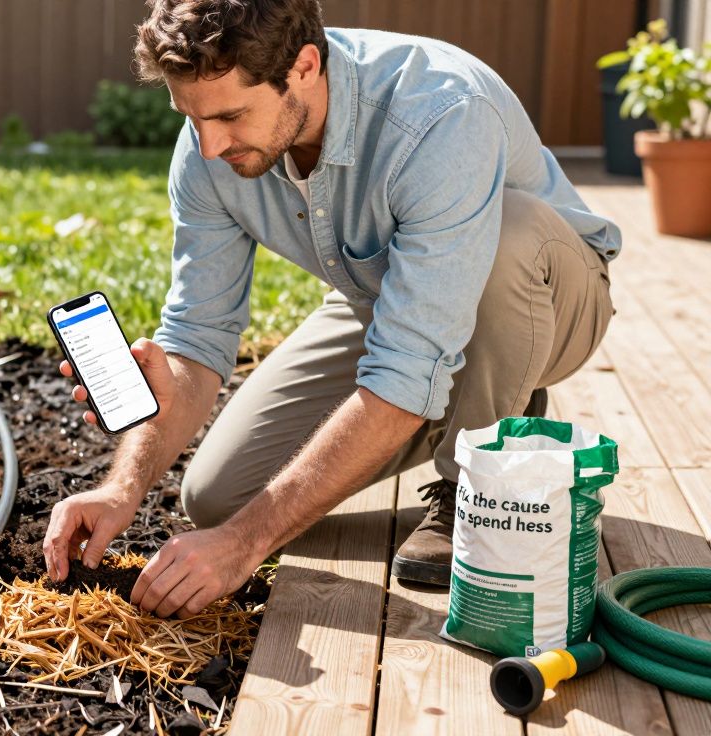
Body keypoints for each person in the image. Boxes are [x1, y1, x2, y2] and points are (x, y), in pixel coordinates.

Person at [42, 0, 619, 619]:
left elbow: (404, 367)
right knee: (217, 500)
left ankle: (468, 483)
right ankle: (477, 398)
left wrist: (245, 546)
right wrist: (123, 486)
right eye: (192, 117)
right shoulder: (209, 145)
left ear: (304, 67)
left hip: (551, 297)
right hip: (389, 304)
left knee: (506, 238)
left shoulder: (442, 114)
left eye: (231, 116)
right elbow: (197, 336)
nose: (210, 147)